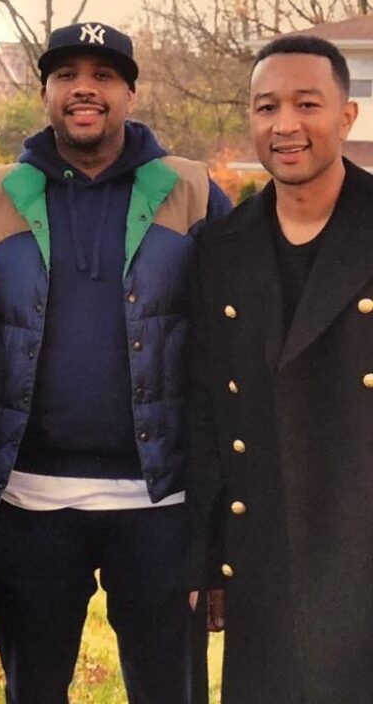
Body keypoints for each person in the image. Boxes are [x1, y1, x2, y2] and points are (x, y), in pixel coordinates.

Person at [0, 22, 231, 704]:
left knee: (170, 691)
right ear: (47, 93)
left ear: (131, 93)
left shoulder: (193, 192)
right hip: (29, 502)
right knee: (34, 689)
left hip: (159, 503)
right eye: (66, 75)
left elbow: (236, 338)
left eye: (104, 75)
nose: (84, 88)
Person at [188, 35, 373, 703]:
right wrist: (209, 560)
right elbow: (207, 412)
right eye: (267, 107)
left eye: (306, 104)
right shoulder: (222, 246)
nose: (285, 124)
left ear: (346, 117)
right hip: (263, 556)